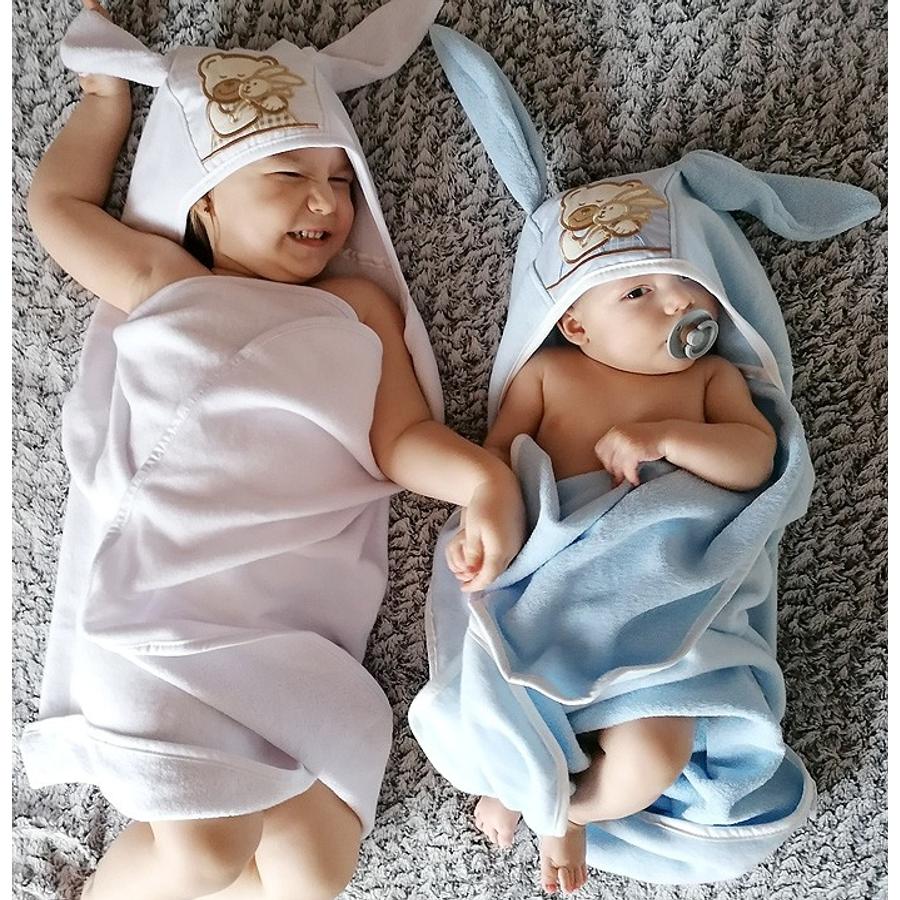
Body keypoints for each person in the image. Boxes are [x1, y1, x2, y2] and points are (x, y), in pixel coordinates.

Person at [21, 3, 524, 899]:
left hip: (296, 626)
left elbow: (400, 440)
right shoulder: (164, 279)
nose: (326, 201)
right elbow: (57, 206)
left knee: (311, 878)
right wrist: (103, 103)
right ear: (205, 200)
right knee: (208, 855)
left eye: (339, 178)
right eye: (288, 173)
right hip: (165, 610)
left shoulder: (359, 309)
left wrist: (481, 480)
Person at [446, 271, 776, 893]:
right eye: (637, 293)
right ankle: (525, 780)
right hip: (556, 590)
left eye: (685, 281)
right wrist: (481, 523)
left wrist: (669, 438)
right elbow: (496, 461)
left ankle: (568, 810)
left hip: (656, 593)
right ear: (576, 326)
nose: (679, 300)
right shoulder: (549, 372)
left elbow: (755, 461)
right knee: (503, 700)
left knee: (655, 758)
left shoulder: (710, 378)